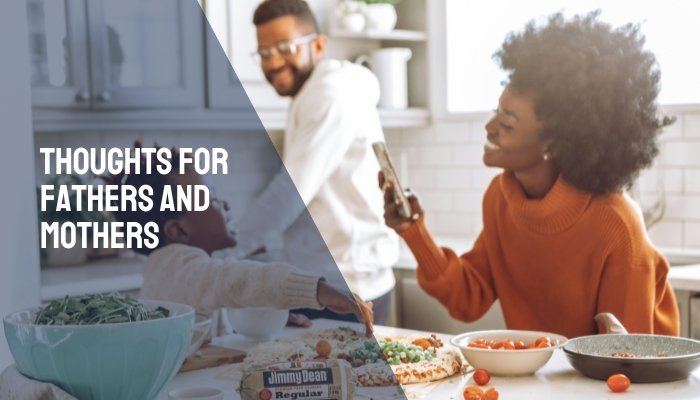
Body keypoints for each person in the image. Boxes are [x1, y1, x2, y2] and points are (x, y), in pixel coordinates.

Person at [380, 11, 680, 339]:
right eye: (497, 112)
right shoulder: (501, 198)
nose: (489, 127)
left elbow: (626, 361)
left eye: (507, 123)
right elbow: (469, 296)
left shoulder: (616, 225)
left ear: (553, 143)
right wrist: (412, 230)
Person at [227, 0, 399, 324]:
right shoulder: (313, 92)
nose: (273, 61)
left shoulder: (329, 95)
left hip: (345, 288)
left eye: (284, 47)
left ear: (318, 45)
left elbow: (288, 194)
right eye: (264, 53)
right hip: (336, 281)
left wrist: (222, 253)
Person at [103, 142, 374, 336]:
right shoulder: (181, 267)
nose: (225, 205)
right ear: (178, 231)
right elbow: (236, 280)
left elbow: (214, 306)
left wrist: (262, 320)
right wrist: (314, 289)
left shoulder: (172, 268)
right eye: (211, 199)